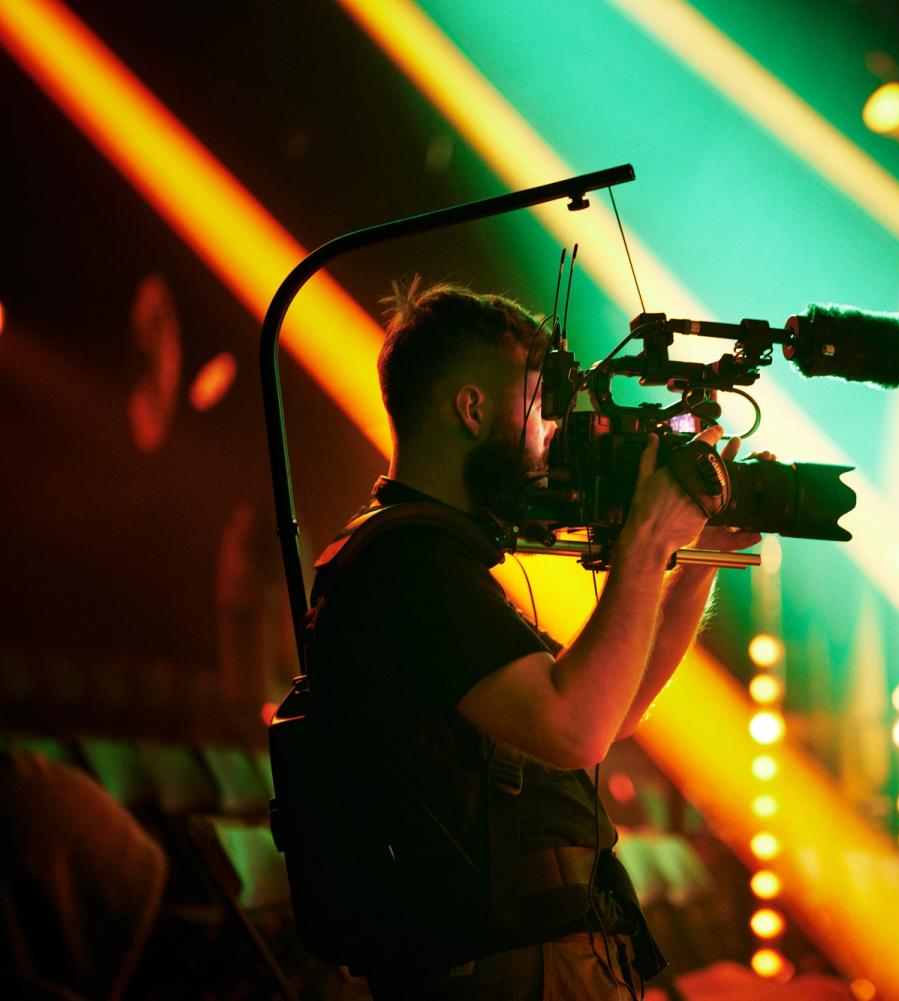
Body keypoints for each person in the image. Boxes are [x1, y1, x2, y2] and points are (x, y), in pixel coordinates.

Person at [303, 278, 758, 999]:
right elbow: (576, 727)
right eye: (537, 402)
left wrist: (695, 557)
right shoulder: (408, 567)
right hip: (501, 975)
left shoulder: (437, 561)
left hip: (537, 964)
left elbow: (612, 707)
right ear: (472, 407)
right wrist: (644, 539)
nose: (552, 431)